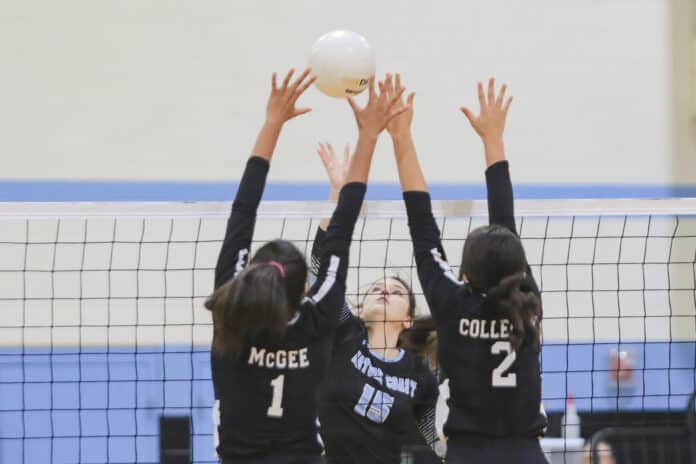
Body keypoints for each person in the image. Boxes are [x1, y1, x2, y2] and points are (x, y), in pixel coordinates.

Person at [206, 68, 408, 463]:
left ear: (252, 274)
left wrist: (271, 123)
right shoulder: (318, 319)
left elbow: (242, 212)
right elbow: (342, 229)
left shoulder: (230, 311)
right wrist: (369, 137)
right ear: (304, 289)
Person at [390, 74, 548, 463]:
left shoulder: (452, 302)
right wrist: (493, 139)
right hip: (526, 453)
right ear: (516, 264)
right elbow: (504, 220)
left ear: (463, 273)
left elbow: (422, 226)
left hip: (468, 454)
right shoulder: (527, 299)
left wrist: (401, 138)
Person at [310, 138, 440, 463]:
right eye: (375, 289)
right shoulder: (343, 333)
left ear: (407, 319)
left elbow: (431, 439)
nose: (383, 291)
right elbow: (320, 270)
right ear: (359, 306)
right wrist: (338, 197)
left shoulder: (420, 373)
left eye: (396, 292)